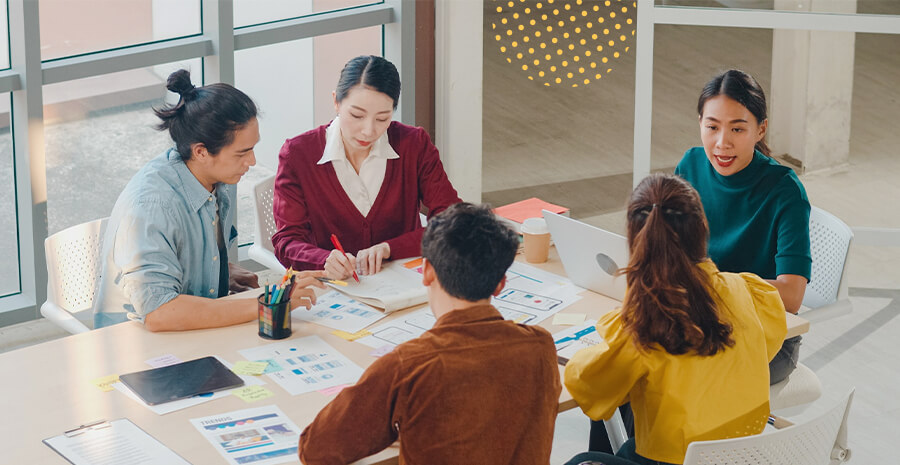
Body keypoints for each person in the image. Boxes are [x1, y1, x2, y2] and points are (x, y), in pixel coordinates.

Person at [297, 203, 561, 465]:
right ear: (501, 284)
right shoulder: (541, 346)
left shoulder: (408, 365)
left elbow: (317, 450)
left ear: (427, 272)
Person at [564, 173, 787, 465]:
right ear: (702, 230)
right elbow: (766, 346)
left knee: (584, 458)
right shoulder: (746, 291)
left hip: (674, 459)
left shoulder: (643, 326)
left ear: (637, 241)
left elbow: (588, 389)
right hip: (745, 454)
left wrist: (616, 325)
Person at [93, 69, 324, 331]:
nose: (252, 162)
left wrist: (220, 273)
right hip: (139, 343)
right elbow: (159, 312)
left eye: (253, 148)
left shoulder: (217, 179)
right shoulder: (152, 207)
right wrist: (269, 303)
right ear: (201, 151)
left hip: (192, 330)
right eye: (242, 153)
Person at [675, 69, 811, 384]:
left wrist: (710, 284)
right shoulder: (690, 166)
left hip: (768, 338)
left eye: (738, 129)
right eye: (712, 127)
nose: (722, 143)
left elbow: (791, 295)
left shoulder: (785, 191)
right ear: (700, 124)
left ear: (760, 130)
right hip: (698, 318)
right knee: (621, 366)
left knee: (669, 376)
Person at [272, 55, 461, 280]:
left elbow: (452, 221)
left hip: (403, 283)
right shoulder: (298, 154)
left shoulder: (414, 144)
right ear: (336, 102)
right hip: (334, 290)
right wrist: (324, 259)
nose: (368, 131)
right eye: (357, 115)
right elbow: (287, 242)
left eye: (382, 118)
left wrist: (390, 248)